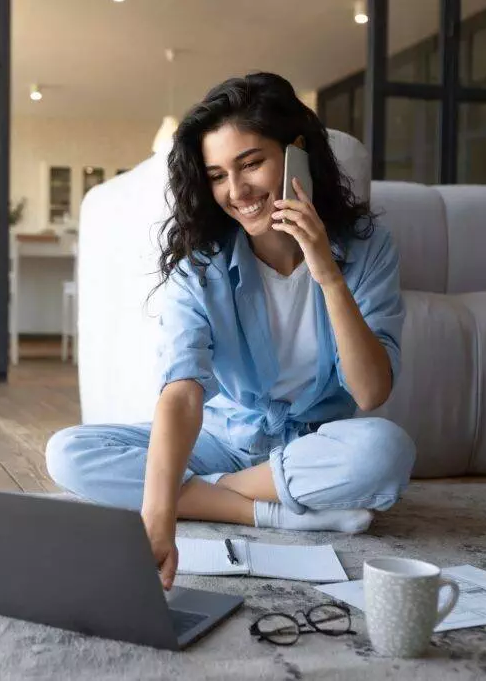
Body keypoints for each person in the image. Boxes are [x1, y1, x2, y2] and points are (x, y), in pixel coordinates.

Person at [46, 72, 416, 590]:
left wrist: (326, 271)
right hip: (222, 438)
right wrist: (158, 520)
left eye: (251, 164)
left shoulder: (367, 248)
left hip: (312, 445)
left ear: (297, 157)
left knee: (384, 452)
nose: (236, 192)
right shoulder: (202, 266)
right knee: (68, 453)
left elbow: (371, 392)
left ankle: (218, 496)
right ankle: (272, 513)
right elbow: (182, 393)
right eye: (217, 175)